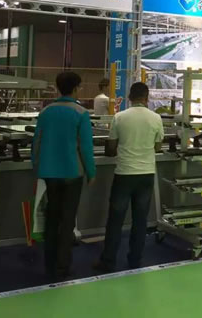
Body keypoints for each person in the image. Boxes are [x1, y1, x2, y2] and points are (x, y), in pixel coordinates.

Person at [32, 72, 96, 278]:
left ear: (58, 87)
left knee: (52, 218)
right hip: (72, 173)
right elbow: (86, 147)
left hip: (49, 173)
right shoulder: (81, 113)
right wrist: (91, 172)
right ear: (76, 88)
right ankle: (63, 266)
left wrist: (36, 166)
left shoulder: (46, 112)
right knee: (67, 221)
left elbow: (36, 142)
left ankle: (49, 264)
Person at [96, 82, 164, 272]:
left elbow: (111, 148)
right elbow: (158, 146)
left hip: (124, 174)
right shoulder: (156, 118)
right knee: (140, 220)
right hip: (146, 174)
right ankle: (135, 260)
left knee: (115, 220)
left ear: (129, 97)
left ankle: (108, 261)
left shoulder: (120, 117)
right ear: (147, 98)